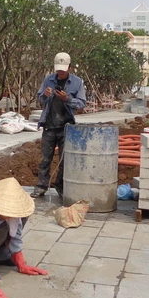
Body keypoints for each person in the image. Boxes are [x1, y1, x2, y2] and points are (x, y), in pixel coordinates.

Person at [32, 52, 86, 198]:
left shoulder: (77, 82)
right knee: (45, 158)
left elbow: (81, 104)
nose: (60, 72)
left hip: (66, 126)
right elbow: (40, 99)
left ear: (70, 67)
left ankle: (60, 186)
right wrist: (45, 95)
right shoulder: (48, 79)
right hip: (49, 125)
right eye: (58, 69)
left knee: (64, 159)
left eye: (63, 69)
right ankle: (41, 186)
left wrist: (67, 99)